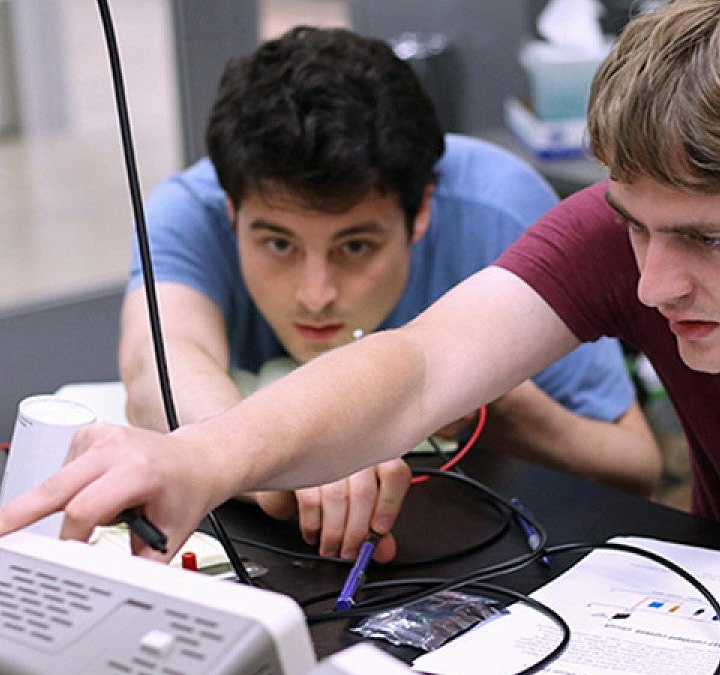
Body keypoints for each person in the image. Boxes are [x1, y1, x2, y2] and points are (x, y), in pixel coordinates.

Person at [0, 0, 720, 634]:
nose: (650, 285)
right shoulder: (646, 232)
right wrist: (197, 459)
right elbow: (414, 372)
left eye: (707, 241)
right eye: (636, 228)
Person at [116, 26, 660, 561]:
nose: (315, 295)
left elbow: (634, 467)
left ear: (420, 210)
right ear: (231, 209)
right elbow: (157, 370)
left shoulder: (501, 212)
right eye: (279, 244)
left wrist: (497, 408)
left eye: (355, 247)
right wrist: (286, 457)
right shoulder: (190, 210)